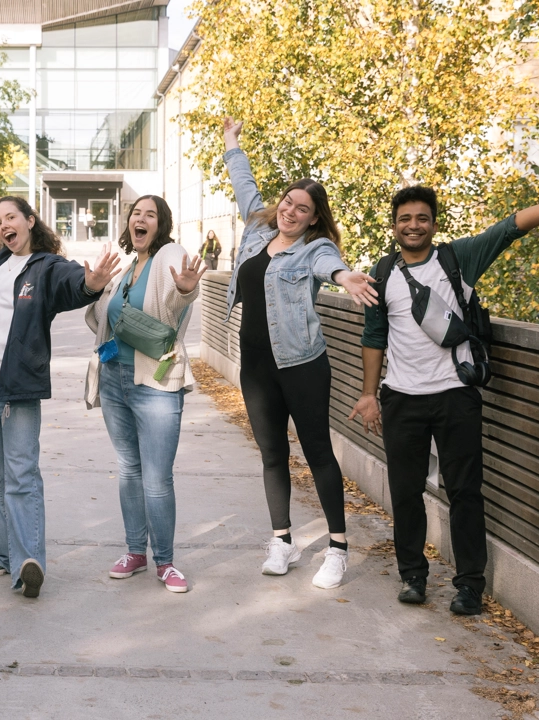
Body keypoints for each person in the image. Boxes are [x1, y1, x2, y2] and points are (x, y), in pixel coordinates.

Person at [348, 171, 539, 614]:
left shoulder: (459, 260)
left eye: (421, 218)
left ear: (434, 224)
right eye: (404, 218)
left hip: (456, 396)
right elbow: (374, 336)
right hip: (402, 399)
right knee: (405, 491)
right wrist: (368, 393)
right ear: (393, 225)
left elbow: (509, 227)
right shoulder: (381, 273)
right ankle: (413, 576)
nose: (412, 225)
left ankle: (469, 585)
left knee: (465, 492)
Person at [220, 118, 378, 589]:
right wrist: (233, 142)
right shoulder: (256, 227)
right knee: (271, 454)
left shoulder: (316, 248)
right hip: (257, 368)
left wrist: (345, 277)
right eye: (288, 202)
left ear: (314, 218)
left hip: (303, 366)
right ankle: (282, 541)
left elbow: (331, 264)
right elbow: (242, 182)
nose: (290, 211)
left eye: (302, 209)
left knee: (317, 454)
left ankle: (337, 548)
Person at [0, 196, 120, 598]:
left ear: (30, 221)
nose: (3, 226)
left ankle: (27, 563)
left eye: (10, 218)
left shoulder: (46, 266)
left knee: (21, 474)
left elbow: (73, 284)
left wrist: (93, 282)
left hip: (16, 386)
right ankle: (5, 551)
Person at [84, 195, 206, 593]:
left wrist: (186, 290)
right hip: (116, 377)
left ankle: (166, 562)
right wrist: (96, 289)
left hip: (155, 382)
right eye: (136, 213)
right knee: (129, 470)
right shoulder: (126, 269)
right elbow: (103, 318)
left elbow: (174, 300)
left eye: (150, 215)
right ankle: (135, 551)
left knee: (156, 477)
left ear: (161, 224)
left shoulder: (168, 254)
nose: (141, 219)